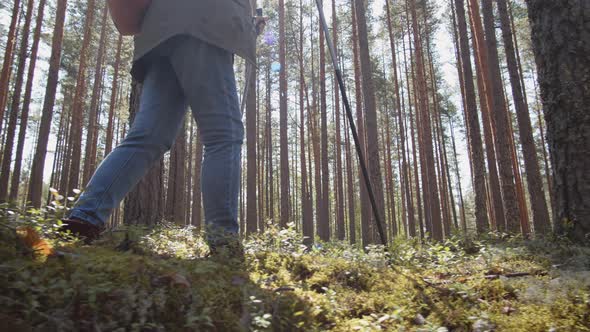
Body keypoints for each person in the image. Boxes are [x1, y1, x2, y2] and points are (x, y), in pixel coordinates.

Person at [62, 0, 264, 251]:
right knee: (224, 134)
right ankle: (223, 240)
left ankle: (84, 218)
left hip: (158, 34)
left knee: (148, 136)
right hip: (203, 26)